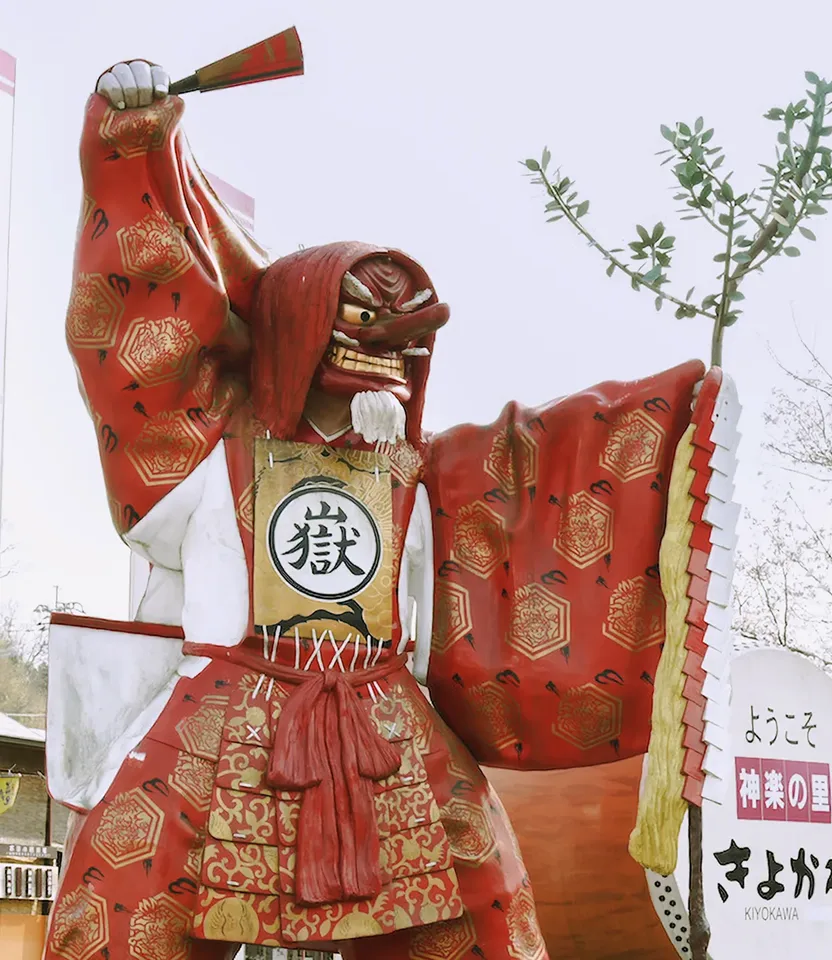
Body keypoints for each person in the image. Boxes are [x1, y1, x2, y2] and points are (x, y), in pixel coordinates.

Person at [46, 59, 726, 960]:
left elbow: (543, 481)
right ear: (295, 329)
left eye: (403, 344)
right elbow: (140, 328)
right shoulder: (211, 450)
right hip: (231, 696)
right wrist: (130, 145)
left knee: (483, 900)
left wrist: (679, 433)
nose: (386, 360)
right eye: (359, 331)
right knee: (121, 900)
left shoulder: (419, 472)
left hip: (384, 706)